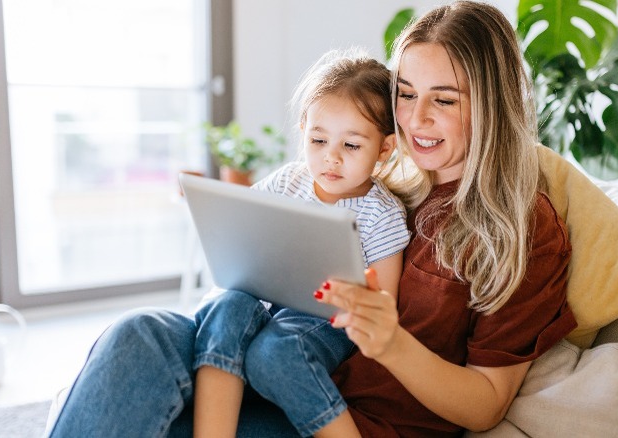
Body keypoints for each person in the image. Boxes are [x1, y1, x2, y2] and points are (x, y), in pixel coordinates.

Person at [48, 2, 577, 437]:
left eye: (444, 99)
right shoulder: (386, 177)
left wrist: (389, 340)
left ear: (492, 104)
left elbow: (486, 404)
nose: (417, 119)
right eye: (407, 94)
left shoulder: (522, 230)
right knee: (136, 333)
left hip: (334, 414)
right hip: (261, 353)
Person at [191, 49, 409, 438]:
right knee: (226, 305)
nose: (331, 158)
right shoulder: (286, 182)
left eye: (351, 146)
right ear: (304, 130)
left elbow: (383, 303)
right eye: (319, 140)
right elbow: (240, 231)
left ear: (385, 148)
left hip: (326, 321)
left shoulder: (381, 213)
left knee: (279, 349)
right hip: (266, 301)